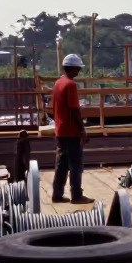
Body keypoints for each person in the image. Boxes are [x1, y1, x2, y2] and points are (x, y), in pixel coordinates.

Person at [51, 53, 93, 204]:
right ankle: (76, 195)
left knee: (61, 164)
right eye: (78, 69)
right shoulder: (70, 84)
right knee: (75, 164)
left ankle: (57, 194)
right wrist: (82, 130)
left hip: (60, 130)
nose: (79, 72)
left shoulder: (58, 83)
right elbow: (74, 110)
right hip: (70, 131)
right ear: (73, 68)